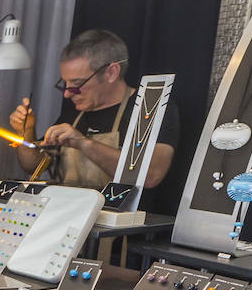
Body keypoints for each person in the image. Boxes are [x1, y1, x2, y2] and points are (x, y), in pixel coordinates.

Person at [10, 29, 178, 190]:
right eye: (65, 83)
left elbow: (150, 175)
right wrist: (26, 132)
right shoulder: (75, 111)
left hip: (117, 218)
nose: (67, 94)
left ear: (111, 73)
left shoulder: (149, 109)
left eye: (77, 84)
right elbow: (32, 166)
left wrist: (84, 144)